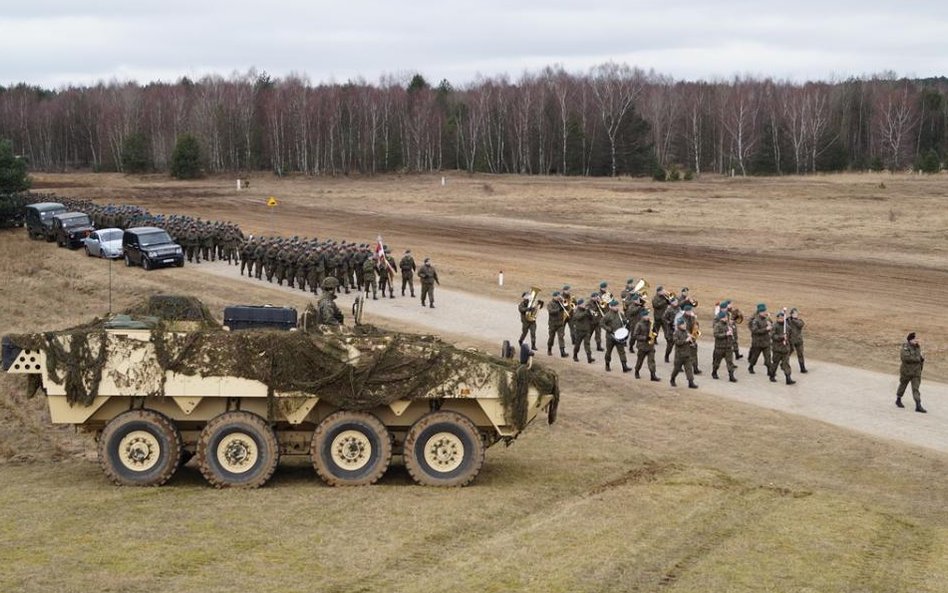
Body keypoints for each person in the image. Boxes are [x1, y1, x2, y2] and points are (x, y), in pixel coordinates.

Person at [897, 332, 927, 413]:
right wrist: (918, 359)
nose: (917, 340)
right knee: (903, 385)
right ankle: (898, 399)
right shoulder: (905, 347)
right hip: (906, 371)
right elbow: (905, 358)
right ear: (910, 340)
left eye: (917, 339)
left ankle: (918, 405)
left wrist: (922, 360)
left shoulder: (918, 347)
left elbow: (920, 358)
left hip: (916, 372)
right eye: (915, 339)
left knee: (916, 389)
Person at [601, 299, 631, 373]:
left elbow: (624, 320)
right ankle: (607, 365)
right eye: (615, 306)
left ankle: (624, 366)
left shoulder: (620, 314)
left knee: (622, 352)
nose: (616, 307)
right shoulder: (607, 315)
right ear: (611, 307)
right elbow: (601, 323)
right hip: (610, 337)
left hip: (619, 336)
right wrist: (608, 328)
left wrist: (625, 321)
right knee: (608, 352)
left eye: (617, 306)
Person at [670, 318, 698, 389]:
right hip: (679, 356)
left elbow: (689, 341)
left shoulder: (686, 331)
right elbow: (677, 342)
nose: (684, 325)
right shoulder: (676, 333)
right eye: (683, 324)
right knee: (676, 369)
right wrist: (686, 340)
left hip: (687, 354)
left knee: (689, 369)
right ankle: (672, 379)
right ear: (679, 325)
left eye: (685, 324)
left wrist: (692, 342)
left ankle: (691, 382)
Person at [632, 309, 659, 381]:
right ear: (642, 316)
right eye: (646, 315)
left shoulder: (651, 323)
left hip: (650, 346)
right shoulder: (639, 324)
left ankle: (653, 375)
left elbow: (655, 332)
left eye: (648, 315)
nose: (648, 317)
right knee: (640, 360)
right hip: (642, 346)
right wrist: (645, 338)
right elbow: (635, 335)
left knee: (651, 361)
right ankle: (637, 371)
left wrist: (654, 333)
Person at [711, 310, 738, 382]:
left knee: (730, 362)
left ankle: (731, 376)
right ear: (722, 318)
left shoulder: (728, 325)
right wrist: (726, 334)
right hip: (720, 347)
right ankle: (714, 372)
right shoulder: (717, 325)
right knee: (717, 362)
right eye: (725, 317)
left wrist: (731, 334)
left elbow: (731, 335)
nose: (727, 318)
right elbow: (716, 335)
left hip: (728, 347)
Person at [770, 309, 796, 385]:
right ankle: (772, 376)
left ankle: (788, 378)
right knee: (775, 363)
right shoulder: (774, 326)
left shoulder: (787, 327)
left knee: (786, 364)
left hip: (785, 349)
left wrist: (791, 346)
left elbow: (790, 337)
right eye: (779, 318)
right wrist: (781, 337)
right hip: (777, 349)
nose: (781, 319)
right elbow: (772, 335)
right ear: (777, 318)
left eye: (782, 318)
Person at [748, 303, 773, 375]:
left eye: (765, 311)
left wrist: (770, 324)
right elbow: (755, 331)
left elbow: (772, 326)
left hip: (766, 342)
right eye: (762, 312)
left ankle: (769, 371)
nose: (764, 313)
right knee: (755, 357)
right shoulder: (755, 321)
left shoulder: (767, 319)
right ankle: (751, 367)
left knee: (768, 358)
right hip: (758, 342)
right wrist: (766, 329)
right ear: (759, 312)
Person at [571, 298, 595, 363]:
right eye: (583, 304)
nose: (584, 305)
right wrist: (586, 312)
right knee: (577, 345)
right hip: (579, 331)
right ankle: (575, 355)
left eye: (584, 304)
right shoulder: (576, 311)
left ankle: (589, 358)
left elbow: (591, 319)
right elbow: (578, 317)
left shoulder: (586, 311)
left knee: (587, 344)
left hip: (587, 330)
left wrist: (590, 313)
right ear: (579, 305)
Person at [546, 291, 568, 358]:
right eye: (557, 296)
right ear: (554, 297)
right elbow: (551, 311)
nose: (558, 297)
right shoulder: (550, 303)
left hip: (560, 323)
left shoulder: (560, 302)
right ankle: (549, 349)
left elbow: (567, 308)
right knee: (551, 338)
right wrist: (559, 309)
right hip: (552, 324)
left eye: (559, 296)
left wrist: (564, 304)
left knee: (561, 337)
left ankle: (562, 352)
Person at [788, 307, 807, 373]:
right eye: (794, 313)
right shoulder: (787, 321)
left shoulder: (799, 321)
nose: (795, 314)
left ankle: (802, 368)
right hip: (791, 340)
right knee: (788, 353)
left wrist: (793, 319)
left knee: (800, 354)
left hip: (799, 340)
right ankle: (784, 363)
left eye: (796, 313)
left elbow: (800, 325)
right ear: (791, 314)